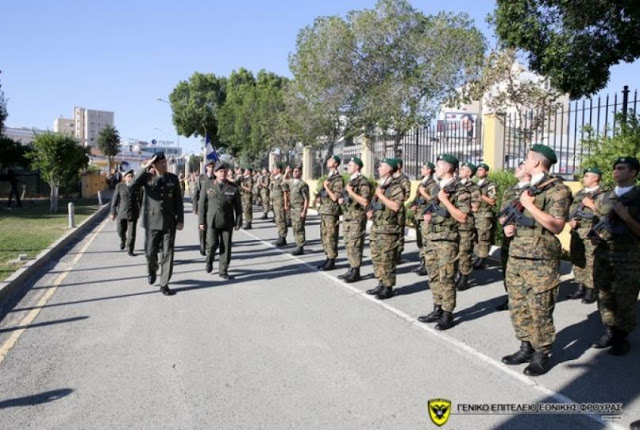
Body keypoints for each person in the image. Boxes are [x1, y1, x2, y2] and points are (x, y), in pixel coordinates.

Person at [501, 144, 571, 376]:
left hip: (540, 259)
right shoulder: (525, 188)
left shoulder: (557, 190)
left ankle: (542, 354)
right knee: (518, 305)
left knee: (539, 308)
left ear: (537, 163)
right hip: (517, 255)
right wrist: (509, 227)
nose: (524, 161)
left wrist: (530, 205)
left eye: (527, 158)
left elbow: (557, 226)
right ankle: (525, 346)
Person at [590, 157, 640, 356]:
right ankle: (609, 331)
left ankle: (621, 336)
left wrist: (626, 217)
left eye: (621, 168)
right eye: (614, 168)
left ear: (633, 172)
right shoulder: (603, 197)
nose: (615, 171)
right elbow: (596, 224)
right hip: (603, 255)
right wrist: (594, 237)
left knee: (625, 299)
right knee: (604, 295)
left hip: (629, 258)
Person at [417, 154, 471, 330]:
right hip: (432, 237)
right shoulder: (435, 188)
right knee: (433, 276)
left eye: (439, 165)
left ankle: (448, 313)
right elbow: (433, 209)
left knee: (446, 277)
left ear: (448, 168)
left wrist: (446, 200)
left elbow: (462, 217)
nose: (436, 168)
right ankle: (437, 308)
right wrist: (428, 216)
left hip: (447, 240)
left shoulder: (460, 190)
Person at [132, 152, 184, 296]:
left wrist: (180, 219)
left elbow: (178, 200)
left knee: (168, 253)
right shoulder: (147, 178)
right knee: (150, 252)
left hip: (169, 221)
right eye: (160, 162)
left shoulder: (172, 179)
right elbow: (133, 183)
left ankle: (164, 283)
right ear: (154, 165)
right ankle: (152, 269)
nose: (164, 164)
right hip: (152, 221)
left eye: (164, 162)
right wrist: (147, 165)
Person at [365, 158, 405, 299]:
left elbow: (396, 206)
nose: (378, 168)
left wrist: (381, 195)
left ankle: (388, 287)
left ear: (389, 169)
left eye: (381, 166)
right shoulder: (380, 185)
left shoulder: (396, 187)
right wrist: (371, 212)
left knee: (387, 259)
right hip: (377, 227)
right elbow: (375, 205)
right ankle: (381, 282)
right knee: (377, 257)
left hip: (388, 229)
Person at [496, 160, 531, 311]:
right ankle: (510, 296)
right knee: (507, 267)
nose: (516, 169)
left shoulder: (534, 190)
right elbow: (502, 212)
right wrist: (503, 222)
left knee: (526, 270)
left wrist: (515, 226)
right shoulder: (510, 190)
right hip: (508, 238)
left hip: (526, 238)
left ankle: (525, 299)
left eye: (520, 167)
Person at [567, 167, 605, 304]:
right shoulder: (579, 194)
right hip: (577, 232)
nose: (584, 178)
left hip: (591, 232)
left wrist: (592, 205)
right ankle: (580, 287)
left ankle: (591, 290)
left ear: (596, 178)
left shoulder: (604, 194)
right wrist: (570, 221)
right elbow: (570, 211)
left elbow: (607, 215)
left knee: (591, 262)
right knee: (577, 260)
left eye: (587, 176)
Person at [198, 161, 242, 280]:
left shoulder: (233, 187)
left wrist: (238, 221)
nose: (223, 173)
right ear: (216, 173)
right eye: (220, 171)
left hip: (227, 221)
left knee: (226, 247)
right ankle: (209, 260)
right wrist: (201, 222)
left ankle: (223, 270)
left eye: (225, 171)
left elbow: (238, 206)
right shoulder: (208, 185)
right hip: (211, 221)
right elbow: (202, 205)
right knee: (211, 244)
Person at [337, 156, 371, 283]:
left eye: (350, 165)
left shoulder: (363, 182)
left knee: (355, 244)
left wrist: (351, 192)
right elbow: (346, 197)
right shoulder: (350, 181)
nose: (348, 167)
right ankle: (351, 267)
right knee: (348, 243)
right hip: (348, 217)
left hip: (357, 218)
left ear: (357, 167)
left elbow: (365, 201)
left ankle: (356, 271)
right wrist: (342, 200)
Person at [455, 162, 480, 291]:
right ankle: (457, 273)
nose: (460, 170)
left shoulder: (474, 188)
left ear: (469, 173)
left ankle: (464, 277)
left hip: (465, 223)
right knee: (455, 249)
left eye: (463, 169)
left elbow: (475, 207)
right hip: (454, 223)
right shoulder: (455, 185)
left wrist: (463, 207)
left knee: (464, 250)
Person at [317, 155, 344, 271]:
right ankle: (328, 257)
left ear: (336, 164)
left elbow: (335, 198)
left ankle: (331, 260)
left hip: (331, 212)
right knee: (324, 236)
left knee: (331, 236)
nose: (328, 161)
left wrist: (326, 187)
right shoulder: (329, 177)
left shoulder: (338, 179)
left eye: (331, 160)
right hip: (324, 210)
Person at [411, 162, 437, 276]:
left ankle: (427, 265)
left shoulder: (433, 184)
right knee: (420, 241)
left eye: (423, 168)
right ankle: (422, 262)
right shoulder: (422, 182)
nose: (421, 169)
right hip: (419, 215)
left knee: (426, 241)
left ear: (429, 171)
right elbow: (417, 198)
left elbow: (434, 201)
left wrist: (423, 192)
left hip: (426, 216)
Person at [110, 169, 141, 256]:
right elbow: (114, 200)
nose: (131, 178)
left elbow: (141, 200)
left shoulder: (137, 186)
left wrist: (142, 211)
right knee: (120, 230)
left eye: (132, 176)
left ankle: (130, 250)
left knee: (132, 233)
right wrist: (113, 212)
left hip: (133, 212)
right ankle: (123, 241)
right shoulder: (119, 186)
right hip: (122, 212)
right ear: (125, 178)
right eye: (129, 176)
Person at [473, 163, 497, 269]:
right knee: (475, 237)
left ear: (486, 172)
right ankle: (477, 255)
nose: (479, 171)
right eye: (478, 170)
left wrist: (480, 194)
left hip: (484, 214)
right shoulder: (475, 184)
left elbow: (492, 201)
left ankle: (482, 259)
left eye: (481, 170)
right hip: (474, 214)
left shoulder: (490, 185)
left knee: (483, 237)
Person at [288, 165, 310, 255]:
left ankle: (300, 247)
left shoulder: (303, 184)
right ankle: (297, 244)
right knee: (294, 228)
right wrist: (287, 172)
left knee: (299, 228)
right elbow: (283, 182)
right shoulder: (292, 183)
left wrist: (304, 211)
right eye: (294, 171)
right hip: (293, 209)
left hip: (299, 209)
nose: (295, 173)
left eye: (297, 171)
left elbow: (306, 199)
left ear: (301, 173)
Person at [394, 159, 412, 264]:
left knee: (399, 231)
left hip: (398, 208)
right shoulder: (391, 178)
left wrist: (398, 200)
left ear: (399, 166)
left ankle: (398, 253)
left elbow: (407, 194)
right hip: (389, 208)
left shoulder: (403, 179)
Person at [193, 165, 211, 256]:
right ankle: (202, 246)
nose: (211, 168)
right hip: (202, 206)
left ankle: (210, 248)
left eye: (213, 166)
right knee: (202, 227)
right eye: (210, 166)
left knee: (212, 228)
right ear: (207, 167)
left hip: (212, 206)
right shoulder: (201, 178)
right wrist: (195, 207)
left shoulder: (216, 177)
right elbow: (196, 192)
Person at [271, 163, 289, 246]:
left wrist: (285, 204)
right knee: (278, 219)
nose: (273, 170)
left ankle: (283, 237)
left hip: (280, 202)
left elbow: (285, 192)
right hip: (276, 202)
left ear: (278, 170)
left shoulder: (282, 178)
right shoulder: (276, 178)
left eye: (274, 168)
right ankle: (280, 236)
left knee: (281, 219)